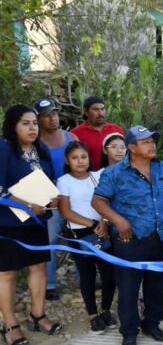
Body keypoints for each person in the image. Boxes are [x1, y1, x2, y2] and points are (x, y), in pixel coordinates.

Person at [92, 125, 163, 345]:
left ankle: (151, 324)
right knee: (129, 289)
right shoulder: (114, 173)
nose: (152, 145)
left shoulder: (161, 167)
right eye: (145, 142)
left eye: (153, 141)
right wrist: (118, 220)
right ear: (131, 147)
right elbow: (98, 201)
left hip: (160, 237)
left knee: (157, 286)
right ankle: (129, 333)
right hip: (130, 241)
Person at [0, 105, 62, 345]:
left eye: (34, 123)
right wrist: (27, 205)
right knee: (8, 273)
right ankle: (10, 324)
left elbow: (51, 179)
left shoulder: (40, 149)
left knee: (38, 266)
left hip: (37, 221)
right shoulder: (4, 148)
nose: (32, 128)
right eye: (25, 123)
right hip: (8, 222)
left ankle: (37, 315)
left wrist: (52, 199)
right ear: (13, 125)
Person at [57, 141, 117, 333]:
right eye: (74, 158)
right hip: (79, 233)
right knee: (87, 274)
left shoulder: (97, 176)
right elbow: (65, 211)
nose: (80, 161)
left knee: (109, 273)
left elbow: (108, 202)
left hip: (103, 230)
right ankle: (93, 315)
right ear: (67, 161)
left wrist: (105, 222)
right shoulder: (64, 181)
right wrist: (92, 224)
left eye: (83, 157)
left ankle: (106, 309)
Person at [35, 98, 79, 301]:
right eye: (46, 115)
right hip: (49, 199)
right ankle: (50, 284)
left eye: (54, 113)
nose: (52, 118)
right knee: (50, 240)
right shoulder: (35, 143)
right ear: (38, 119)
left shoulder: (71, 137)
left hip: (74, 196)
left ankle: (84, 278)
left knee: (81, 236)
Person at [70, 96, 124, 171]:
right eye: (95, 109)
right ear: (86, 112)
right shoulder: (75, 134)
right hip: (90, 176)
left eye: (102, 109)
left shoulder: (116, 130)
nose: (100, 113)